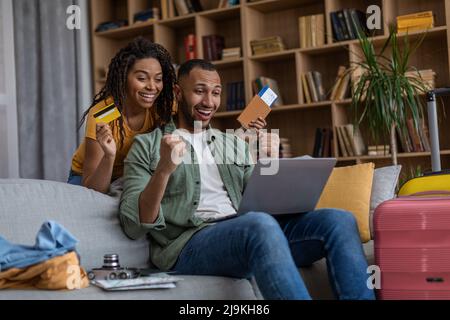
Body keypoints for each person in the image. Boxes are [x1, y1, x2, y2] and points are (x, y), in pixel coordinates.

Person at [119, 59, 375, 300]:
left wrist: (271, 163)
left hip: (248, 230)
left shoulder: (232, 143)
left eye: (216, 93)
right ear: (176, 92)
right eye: (199, 91)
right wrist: (164, 170)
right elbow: (134, 224)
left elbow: (261, 202)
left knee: (339, 220)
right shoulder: (147, 146)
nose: (209, 101)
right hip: (190, 244)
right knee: (258, 225)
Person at [68, 37, 176, 193]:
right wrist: (109, 156)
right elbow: (91, 189)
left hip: (130, 176)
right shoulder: (104, 115)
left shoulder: (162, 107)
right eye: (141, 78)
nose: (152, 87)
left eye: (158, 79)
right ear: (123, 77)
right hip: (89, 177)